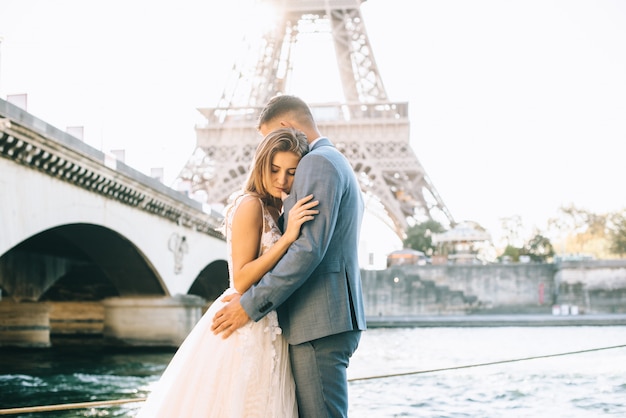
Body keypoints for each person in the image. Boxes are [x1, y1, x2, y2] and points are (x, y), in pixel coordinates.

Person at [135, 127, 319, 418]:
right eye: (274, 169)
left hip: (266, 324)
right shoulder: (250, 204)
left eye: (291, 172)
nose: (282, 180)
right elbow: (242, 279)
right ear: (261, 164)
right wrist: (287, 238)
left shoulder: (275, 208)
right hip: (246, 325)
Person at [211, 95, 367, 417]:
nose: (283, 179)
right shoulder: (335, 160)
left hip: (316, 322)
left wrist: (249, 307)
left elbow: (308, 248)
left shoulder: (317, 162)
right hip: (323, 320)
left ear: (284, 127)